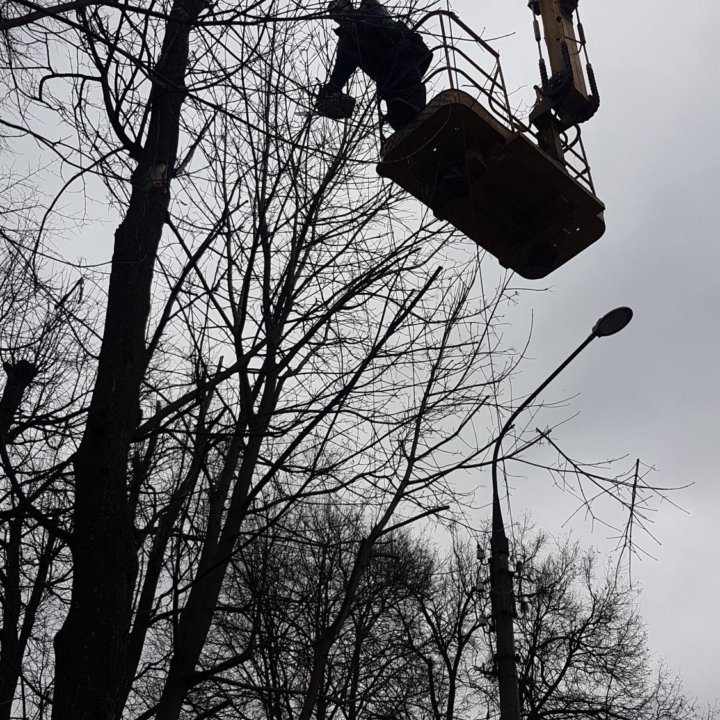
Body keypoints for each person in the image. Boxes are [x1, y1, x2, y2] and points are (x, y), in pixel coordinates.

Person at [316, 0, 432, 131]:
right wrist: (329, 91)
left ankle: (416, 112)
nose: (338, 14)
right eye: (333, 13)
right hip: (385, 73)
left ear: (348, 5)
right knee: (393, 99)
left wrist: (359, 26)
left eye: (339, 8)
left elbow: (381, 24)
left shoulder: (369, 7)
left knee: (408, 83)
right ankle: (402, 123)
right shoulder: (346, 43)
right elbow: (340, 72)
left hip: (404, 52)